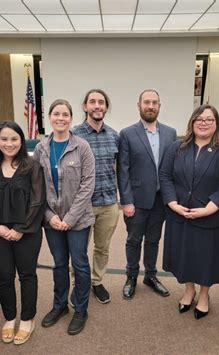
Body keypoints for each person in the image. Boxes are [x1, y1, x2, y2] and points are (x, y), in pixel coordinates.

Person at [159, 105, 219, 319]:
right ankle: (189, 291)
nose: (203, 122)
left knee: (206, 258)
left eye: (209, 119)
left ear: (216, 124)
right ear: (192, 122)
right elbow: (165, 176)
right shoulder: (177, 147)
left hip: (211, 216)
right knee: (184, 256)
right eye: (199, 118)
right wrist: (172, 203)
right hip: (181, 214)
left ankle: (204, 295)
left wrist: (210, 208)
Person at [0, 121, 46, 345]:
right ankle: (9, 318)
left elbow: (37, 201)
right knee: (4, 276)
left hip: (26, 231)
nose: (9, 143)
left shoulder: (32, 166)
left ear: (21, 140)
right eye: (4, 139)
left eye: (14, 139)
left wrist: (20, 229)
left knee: (27, 275)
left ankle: (27, 318)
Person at [33, 99, 95, 335]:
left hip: (78, 220)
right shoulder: (41, 148)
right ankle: (60, 306)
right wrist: (49, 217)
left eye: (65, 114)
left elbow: (87, 186)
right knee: (59, 264)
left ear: (71, 118)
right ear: (50, 117)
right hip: (51, 221)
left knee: (79, 263)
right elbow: (36, 188)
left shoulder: (82, 147)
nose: (60, 118)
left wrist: (69, 218)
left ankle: (80, 309)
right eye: (56, 114)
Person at [117, 89, 177, 300]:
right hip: (136, 200)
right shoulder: (127, 134)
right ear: (139, 105)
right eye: (147, 102)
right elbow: (122, 170)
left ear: (159, 106)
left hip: (161, 200)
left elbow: (173, 167)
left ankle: (150, 276)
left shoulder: (171, 133)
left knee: (153, 240)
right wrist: (126, 201)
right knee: (134, 240)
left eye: (154, 102)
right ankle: (131, 277)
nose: (150, 106)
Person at [72, 89, 120, 304]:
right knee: (79, 250)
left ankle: (97, 281)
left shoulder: (114, 136)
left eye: (101, 102)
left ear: (106, 107)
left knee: (103, 248)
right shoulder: (74, 135)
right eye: (92, 102)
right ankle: (77, 284)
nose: (97, 105)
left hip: (109, 203)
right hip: (83, 205)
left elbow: (121, 169)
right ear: (85, 107)